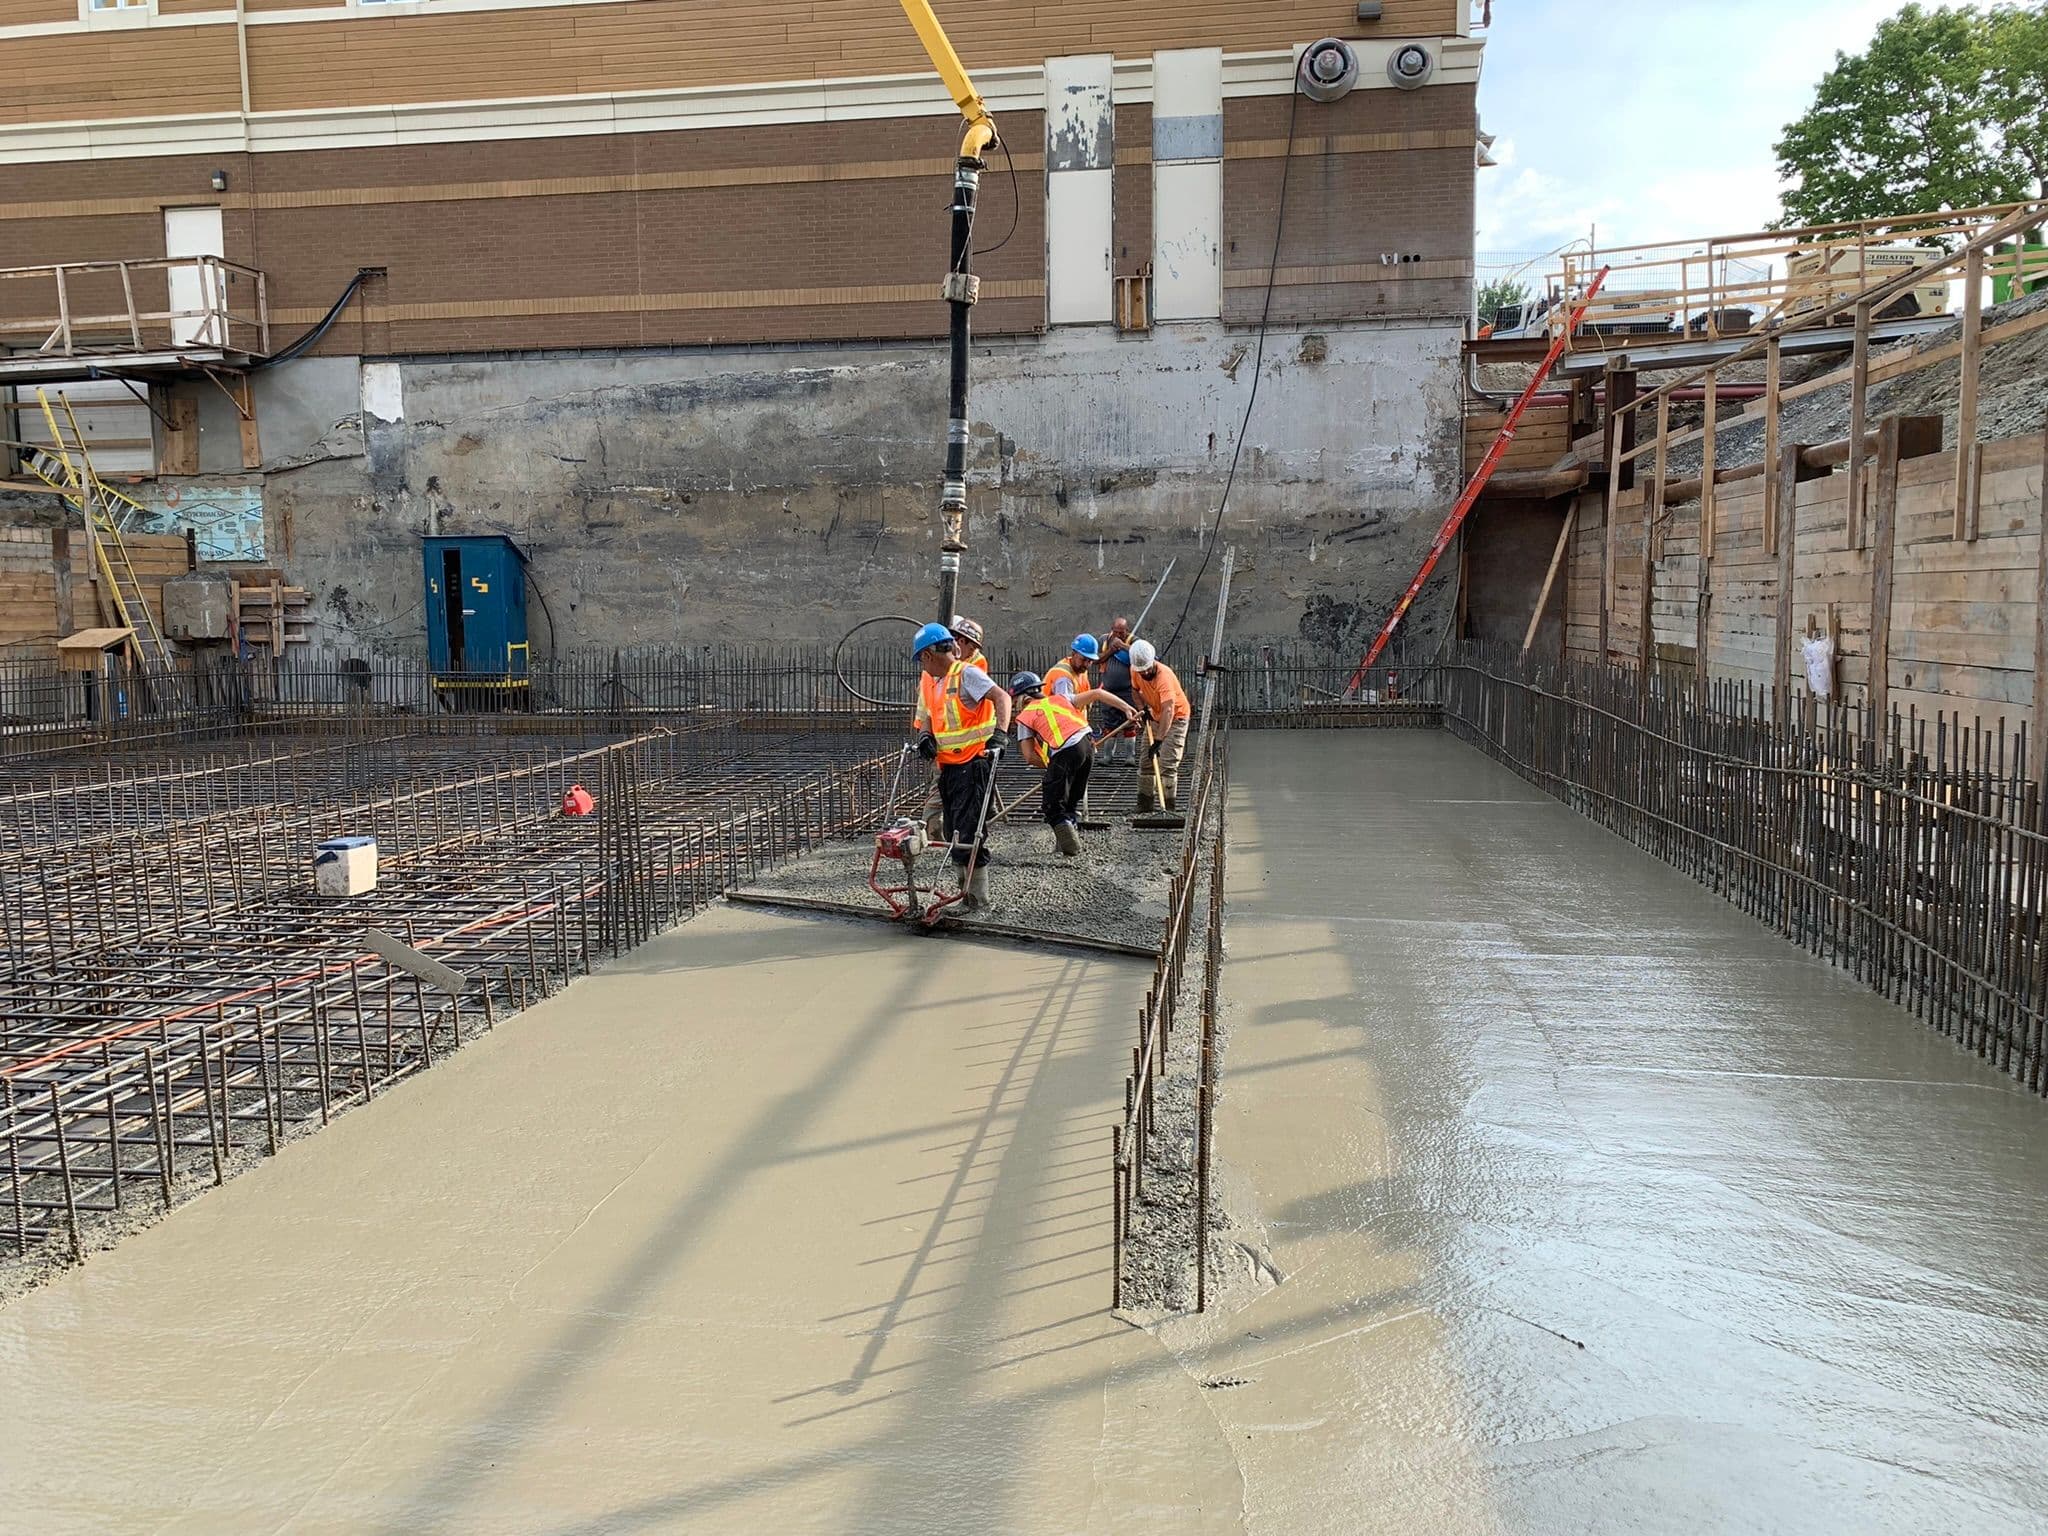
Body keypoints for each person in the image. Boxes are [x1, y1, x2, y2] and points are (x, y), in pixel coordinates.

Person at [911, 621, 1012, 908]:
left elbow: (1002, 697)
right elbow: (930, 713)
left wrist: (1000, 736)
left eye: (921, 659)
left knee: (970, 831)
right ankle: (965, 896)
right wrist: (926, 735)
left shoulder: (966, 674)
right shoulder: (936, 681)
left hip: (974, 764)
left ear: (929, 655)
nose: (922, 665)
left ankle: (978, 900)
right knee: (956, 828)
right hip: (950, 766)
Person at [1011, 671, 1097, 857]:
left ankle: (1071, 848)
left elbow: (1029, 756)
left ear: (1019, 697)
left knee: (1052, 806)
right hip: (1088, 745)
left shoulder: (1026, 714)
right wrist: (1127, 710)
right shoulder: (1059, 699)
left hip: (1066, 751)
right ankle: (1063, 845)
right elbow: (1098, 693)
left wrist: (1052, 766)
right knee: (1070, 802)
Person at [1128, 638, 1191, 810]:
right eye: (1142, 671)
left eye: (1148, 669)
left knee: (1167, 764)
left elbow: (1168, 710)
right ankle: (1145, 805)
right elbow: (1134, 690)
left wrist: (1159, 740)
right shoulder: (1135, 670)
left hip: (1176, 717)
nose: (1145, 673)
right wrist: (1143, 709)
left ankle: (1169, 807)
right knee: (1146, 762)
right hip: (1155, 715)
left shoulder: (1165, 677)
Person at [1097, 617, 1136, 763]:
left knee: (1130, 722)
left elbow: (1141, 655)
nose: (1118, 635)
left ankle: (1130, 757)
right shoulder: (1104, 640)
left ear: (1127, 630)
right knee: (1109, 724)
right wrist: (1111, 650)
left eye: (1121, 632)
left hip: (1127, 690)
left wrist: (1123, 646)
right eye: (1116, 632)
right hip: (1108, 690)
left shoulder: (1134, 640)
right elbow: (1096, 660)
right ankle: (1107, 756)